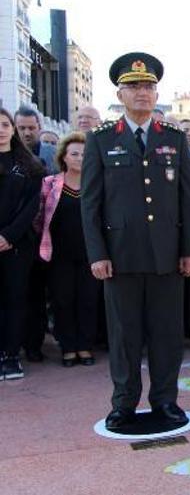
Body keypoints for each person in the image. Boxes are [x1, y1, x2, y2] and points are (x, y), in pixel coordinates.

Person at [81, 52, 190, 432]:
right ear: (120, 94)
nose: (142, 93)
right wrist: (97, 253)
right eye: (134, 87)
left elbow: (188, 200)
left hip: (167, 256)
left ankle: (165, 400)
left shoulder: (174, 139)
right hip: (121, 256)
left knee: (166, 335)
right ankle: (124, 403)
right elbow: (91, 204)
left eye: (148, 86)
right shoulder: (100, 141)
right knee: (124, 336)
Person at [35, 132, 100, 367]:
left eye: (84, 154)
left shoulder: (97, 183)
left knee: (88, 300)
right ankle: (68, 347)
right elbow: (39, 218)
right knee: (63, 301)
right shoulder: (49, 183)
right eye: (74, 154)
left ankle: (84, 346)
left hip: (90, 255)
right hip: (58, 254)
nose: (79, 158)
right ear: (63, 157)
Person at [0, 107, 45, 380]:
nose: (1, 130)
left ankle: (11, 355)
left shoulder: (29, 165)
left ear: (12, 129)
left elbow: (31, 207)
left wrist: (7, 236)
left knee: (15, 299)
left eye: (5, 124)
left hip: (18, 245)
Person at [15, 107, 56, 363]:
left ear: (39, 126)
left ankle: (34, 345)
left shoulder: (51, 155)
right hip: (14, 238)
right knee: (14, 295)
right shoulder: (6, 155)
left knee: (38, 295)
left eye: (32, 127)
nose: (28, 132)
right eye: (22, 128)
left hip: (44, 237)